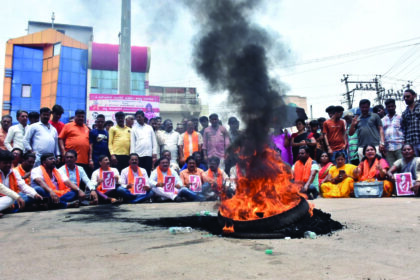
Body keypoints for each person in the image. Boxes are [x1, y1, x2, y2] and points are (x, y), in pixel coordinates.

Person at [59, 109, 91, 174]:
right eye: (79, 116)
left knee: (81, 181)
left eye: (82, 117)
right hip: (70, 159)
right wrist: (63, 151)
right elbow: (60, 138)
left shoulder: (87, 128)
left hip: (83, 160)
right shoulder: (68, 125)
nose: (81, 118)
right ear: (75, 116)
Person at [130, 110, 158, 175]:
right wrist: (132, 155)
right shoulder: (134, 129)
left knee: (148, 172)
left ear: (143, 117)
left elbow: (154, 141)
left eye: (139, 117)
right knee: (139, 172)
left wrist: (154, 153)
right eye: (136, 117)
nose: (138, 119)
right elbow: (133, 143)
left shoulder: (149, 128)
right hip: (138, 154)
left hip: (148, 154)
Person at [382, 99, 404, 166]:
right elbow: (381, 133)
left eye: (392, 106)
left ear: (395, 106)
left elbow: (404, 130)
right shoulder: (383, 120)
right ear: (386, 108)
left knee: (402, 166)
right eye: (389, 106)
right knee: (392, 168)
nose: (391, 108)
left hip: (399, 147)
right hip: (388, 148)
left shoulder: (400, 118)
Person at [401, 89, 420, 156]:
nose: (406, 98)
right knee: (415, 164)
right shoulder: (405, 113)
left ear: (414, 96)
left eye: (408, 96)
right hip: (411, 144)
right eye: (404, 97)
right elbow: (404, 129)